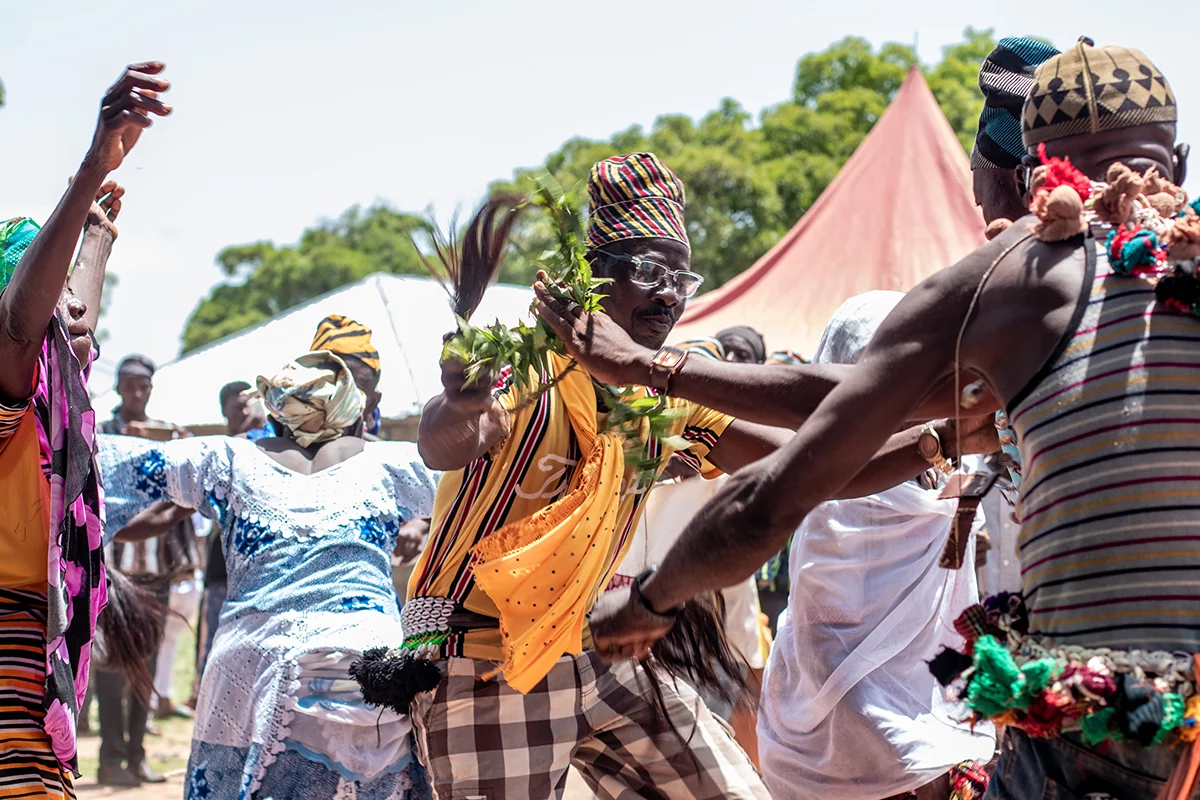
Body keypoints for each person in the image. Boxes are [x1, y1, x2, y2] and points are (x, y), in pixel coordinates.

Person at [578, 41, 1199, 800]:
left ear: (1035, 177)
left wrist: (650, 601)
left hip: (1095, 729)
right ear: (1181, 160)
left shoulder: (1012, 286)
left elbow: (788, 477)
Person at [402, 152, 989, 799]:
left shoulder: (662, 391)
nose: (670, 294)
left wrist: (939, 439)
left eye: (683, 277)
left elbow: (813, 466)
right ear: (595, 274)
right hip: (484, 663)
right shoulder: (531, 365)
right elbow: (446, 441)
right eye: (651, 271)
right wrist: (461, 404)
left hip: (599, 653)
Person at [100, 350, 438, 799]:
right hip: (367, 673)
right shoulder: (394, 463)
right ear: (353, 414)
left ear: (277, 415)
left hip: (248, 669)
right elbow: (489, 482)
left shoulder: (227, 457)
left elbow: (101, 464)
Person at [0, 61, 171, 798]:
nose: (73, 308)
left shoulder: (56, 403)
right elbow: (19, 324)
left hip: (41, 650)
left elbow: (75, 328)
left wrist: (96, 234)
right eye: (54, 292)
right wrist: (87, 168)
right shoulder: (8, 398)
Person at [755, 291, 995, 800]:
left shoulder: (952, 461)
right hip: (848, 719)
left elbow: (954, 572)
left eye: (919, 370)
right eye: (882, 374)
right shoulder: (833, 479)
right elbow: (824, 627)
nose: (903, 392)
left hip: (932, 709)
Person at [97, 354, 198, 784]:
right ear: (119, 387)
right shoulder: (98, 432)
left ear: (151, 389)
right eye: (130, 385)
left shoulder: (166, 439)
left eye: (144, 386)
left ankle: (136, 754)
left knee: (147, 664)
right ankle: (109, 757)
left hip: (155, 574)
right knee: (108, 666)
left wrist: (185, 451)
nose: (137, 393)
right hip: (111, 573)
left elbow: (182, 489)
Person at [311, 314, 385, 439]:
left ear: (372, 402)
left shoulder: (378, 455)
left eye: (351, 393)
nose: (335, 401)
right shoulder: (273, 436)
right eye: (326, 383)